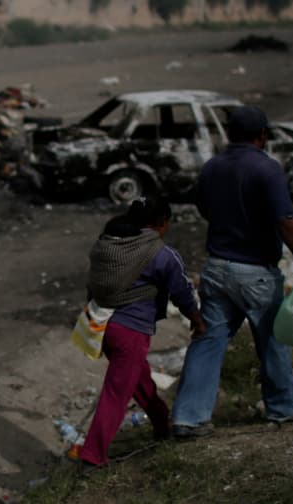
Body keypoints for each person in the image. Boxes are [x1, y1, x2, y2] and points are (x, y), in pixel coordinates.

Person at [171, 105, 293, 438]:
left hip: (216, 268)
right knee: (272, 339)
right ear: (262, 135)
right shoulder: (267, 169)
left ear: (230, 134)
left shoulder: (212, 167)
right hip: (257, 272)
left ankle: (188, 418)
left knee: (208, 340)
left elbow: (203, 207)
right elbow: (286, 221)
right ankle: (283, 407)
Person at [74, 197, 205, 468]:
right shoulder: (160, 252)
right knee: (116, 393)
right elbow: (182, 290)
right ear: (162, 223)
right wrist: (196, 319)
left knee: (138, 380)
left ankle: (161, 422)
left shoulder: (108, 243)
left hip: (103, 325)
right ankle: (92, 456)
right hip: (130, 331)